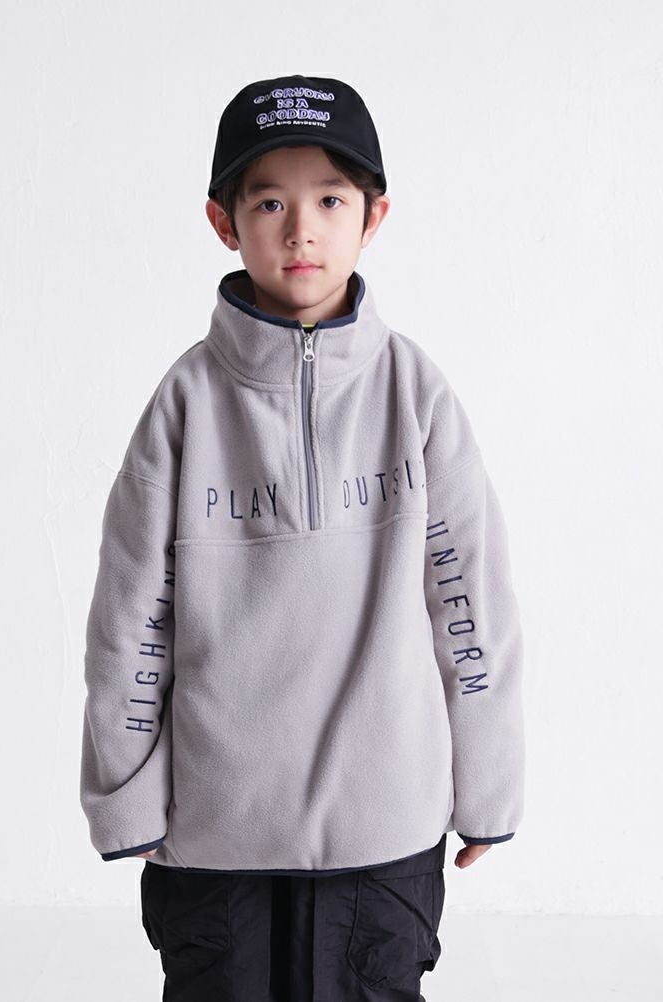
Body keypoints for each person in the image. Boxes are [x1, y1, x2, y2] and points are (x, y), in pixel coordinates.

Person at [79, 73, 526, 1002]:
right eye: (269, 202)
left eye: (329, 200)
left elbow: (470, 600)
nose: (300, 231)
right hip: (215, 837)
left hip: (384, 831)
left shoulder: (417, 394)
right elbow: (131, 615)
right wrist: (123, 790)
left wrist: (489, 781)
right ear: (223, 221)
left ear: (373, 217)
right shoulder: (185, 404)